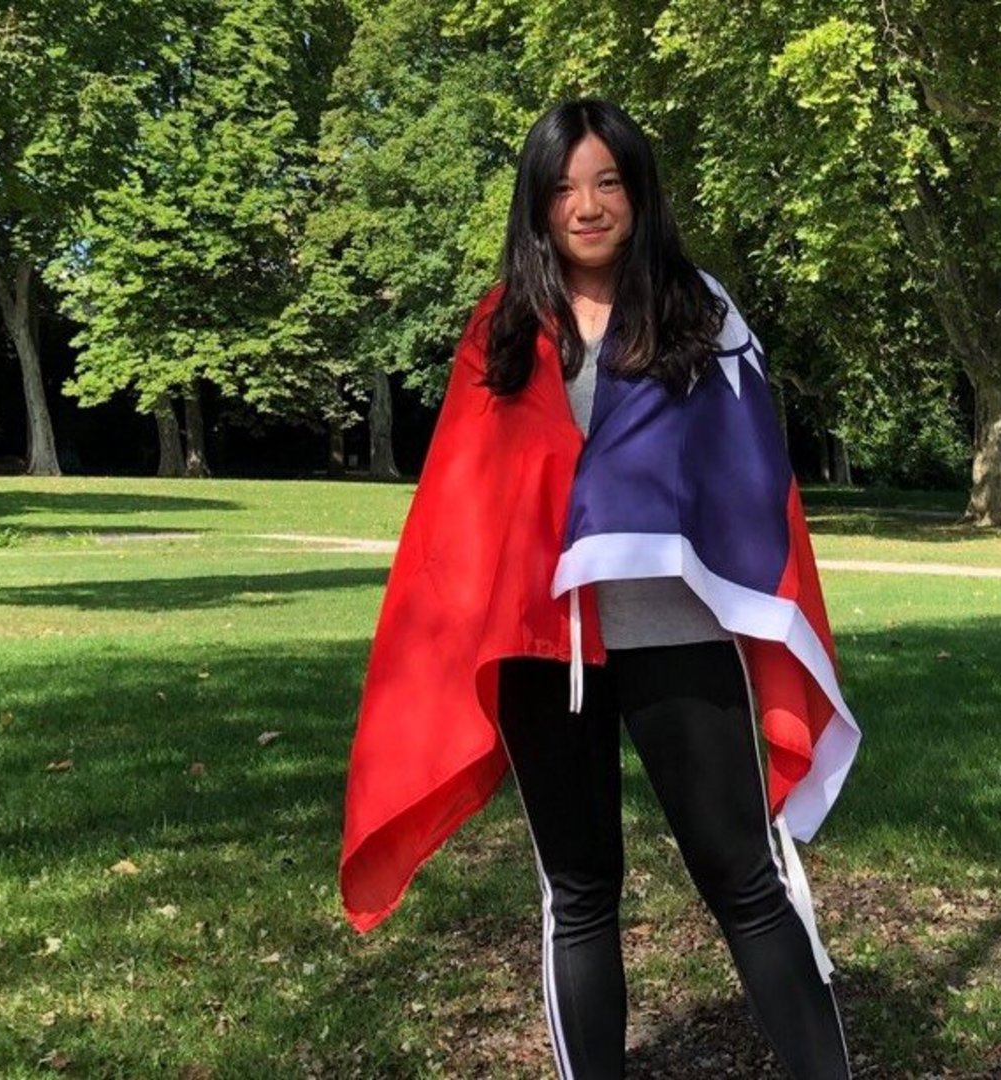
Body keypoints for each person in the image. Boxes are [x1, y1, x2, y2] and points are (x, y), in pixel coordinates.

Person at [340, 99, 860, 1079]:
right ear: (537, 204)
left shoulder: (698, 308)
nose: (587, 205)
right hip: (548, 650)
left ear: (639, 191)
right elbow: (467, 499)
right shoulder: (499, 329)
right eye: (564, 186)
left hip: (680, 633)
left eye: (608, 181)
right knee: (579, 894)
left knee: (745, 880)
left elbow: (751, 477)